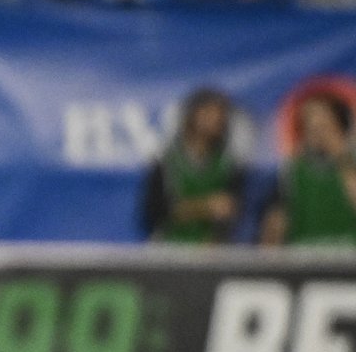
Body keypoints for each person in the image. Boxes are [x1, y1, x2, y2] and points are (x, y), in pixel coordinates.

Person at [141, 88, 245, 242]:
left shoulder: (229, 164)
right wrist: (205, 207)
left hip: (211, 252)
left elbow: (230, 210)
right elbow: (154, 214)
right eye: (209, 112)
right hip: (168, 250)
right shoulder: (166, 162)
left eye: (221, 113)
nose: (217, 118)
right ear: (193, 115)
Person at [260, 92, 356, 246]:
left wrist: (341, 157)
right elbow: (276, 221)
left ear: (340, 125)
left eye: (324, 125)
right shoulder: (293, 170)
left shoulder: (350, 164)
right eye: (309, 124)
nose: (317, 131)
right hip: (305, 259)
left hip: (349, 259)